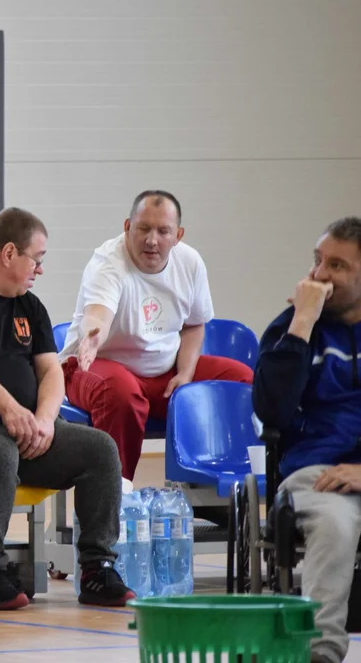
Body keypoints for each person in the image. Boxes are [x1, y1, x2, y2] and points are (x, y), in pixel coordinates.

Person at [0, 208, 134, 610]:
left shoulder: (29, 306)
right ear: (9, 252)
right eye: (38, 258)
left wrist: (46, 420)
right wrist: (12, 410)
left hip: (30, 430)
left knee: (100, 449)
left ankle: (97, 567)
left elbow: (50, 368)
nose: (40, 269)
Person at [59, 190, 253, 480]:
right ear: (127, 227)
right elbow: (98, 313)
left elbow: (194, 325)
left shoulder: (189, 262)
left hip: (163, 373)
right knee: (120, 393)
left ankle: (225, 489)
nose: (152, 240)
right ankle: (114, 496)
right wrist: (92, 336)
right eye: (143, 229)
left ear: (178, 235)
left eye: (163, 231)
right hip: (97, 365)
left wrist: (185, 375)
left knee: (242, 379)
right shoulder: (108, 263)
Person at [253, 217, 361, 663]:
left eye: (336, 265)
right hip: (315, 474)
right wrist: (303, 321)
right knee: (337, 523)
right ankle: (320, 653)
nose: (319, 275)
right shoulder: (291, 327)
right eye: (318, 261)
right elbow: (271, 411)